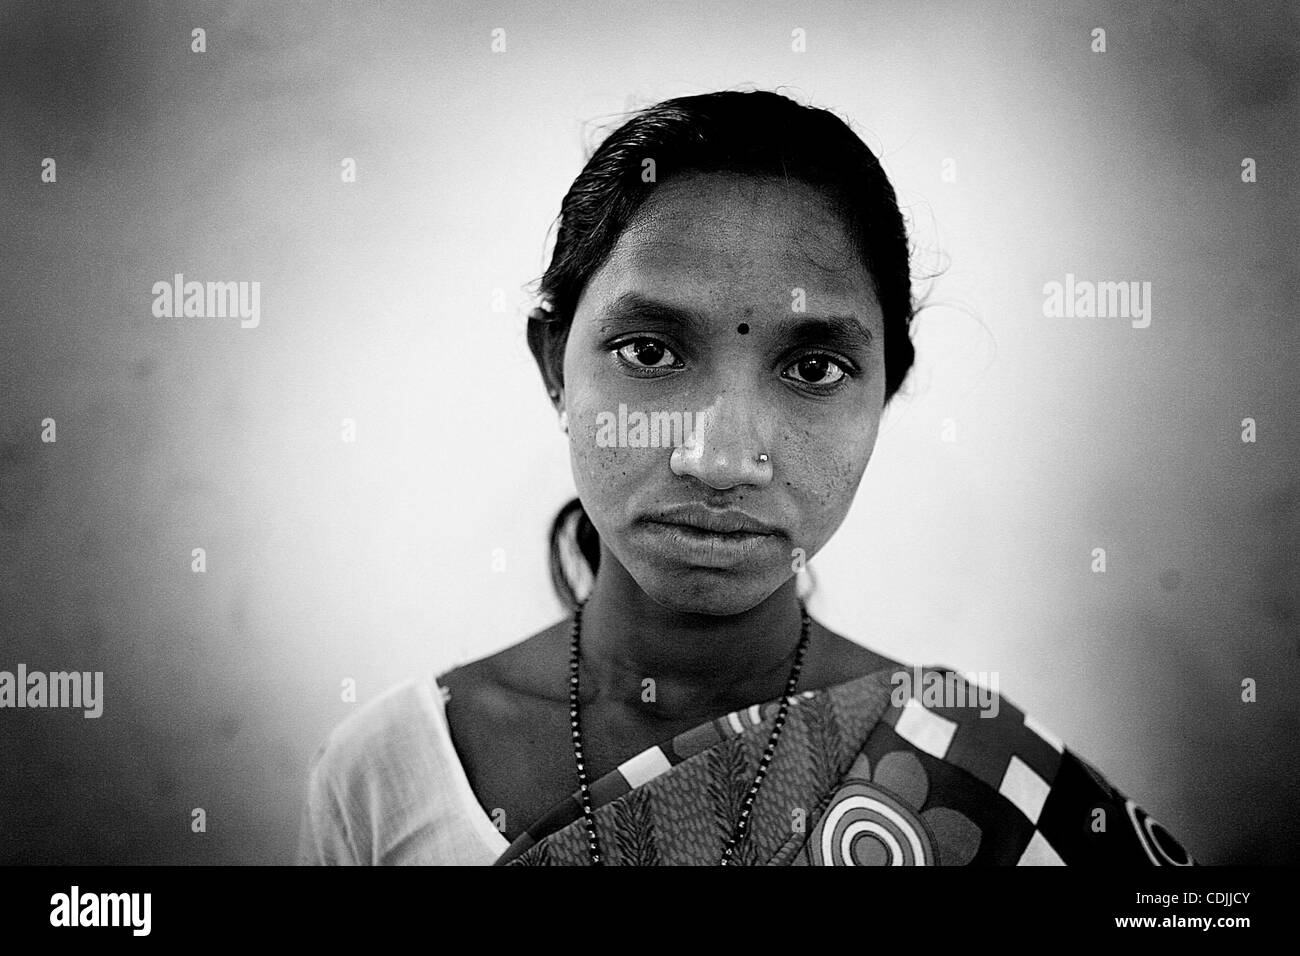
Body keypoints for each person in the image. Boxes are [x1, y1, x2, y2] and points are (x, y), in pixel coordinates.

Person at [295, 89, 1196, 866]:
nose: (720, 460)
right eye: (649, 350)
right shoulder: (391, 771)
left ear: (888, 391)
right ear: (555, 368)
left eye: (813, 369)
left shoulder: (985, 776)